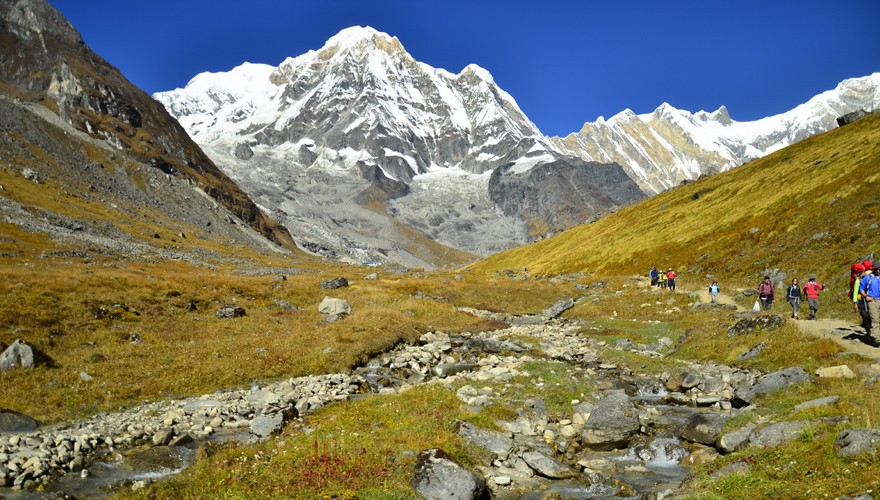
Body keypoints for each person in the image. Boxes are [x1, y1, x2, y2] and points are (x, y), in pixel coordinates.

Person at [859, 261, 880, 340]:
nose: (878, 271)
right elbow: (861, 288)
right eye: (876, 269)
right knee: (875, 319)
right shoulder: (868, 277)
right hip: (872, 300)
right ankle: (877, 338)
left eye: (879, 269)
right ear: (873, 269)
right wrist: (866, 296)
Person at [853, 262, 871, 336]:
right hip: (874, 298)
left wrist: (856, 302)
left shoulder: (859, 279)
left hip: (862, 299)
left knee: (865, 314)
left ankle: (869, 330)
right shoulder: (874, 276)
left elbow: (856, 292)